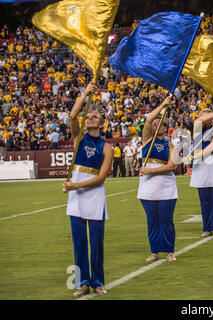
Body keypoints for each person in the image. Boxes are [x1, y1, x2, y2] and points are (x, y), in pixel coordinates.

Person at [63, 81, 114, 297]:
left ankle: (98, 281)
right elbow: (73, 116)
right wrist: (85, 93)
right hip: (76, 198)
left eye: (95, 116)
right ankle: (82, 283)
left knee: (96, 243)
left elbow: (101, 178)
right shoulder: (79, 139)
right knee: (79, 243)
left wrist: (76, 185)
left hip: (94, 197)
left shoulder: (107, 147)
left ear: (102, 124)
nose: (90, 117)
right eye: (89, 116)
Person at [138, 94, 180, 263]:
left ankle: (169, 251)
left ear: (165, 127)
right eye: (155, 124)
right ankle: (154, 251)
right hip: (148, 189)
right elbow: (148, 120)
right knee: (152, 221)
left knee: (166, 220)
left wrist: (151, 171)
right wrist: (163, 104)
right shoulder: (146, 139)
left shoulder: (171, 145)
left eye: (160, 123)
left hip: (166, 187)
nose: (156, 125)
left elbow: (172, 166)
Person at [189, 108, 213, 238]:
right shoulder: (197, 131)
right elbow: (199, 121)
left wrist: (195, 156)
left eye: (208, 114)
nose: (205, 117)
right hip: (201, 170)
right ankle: (207, 227)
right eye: (204, 114)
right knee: (204, 201)